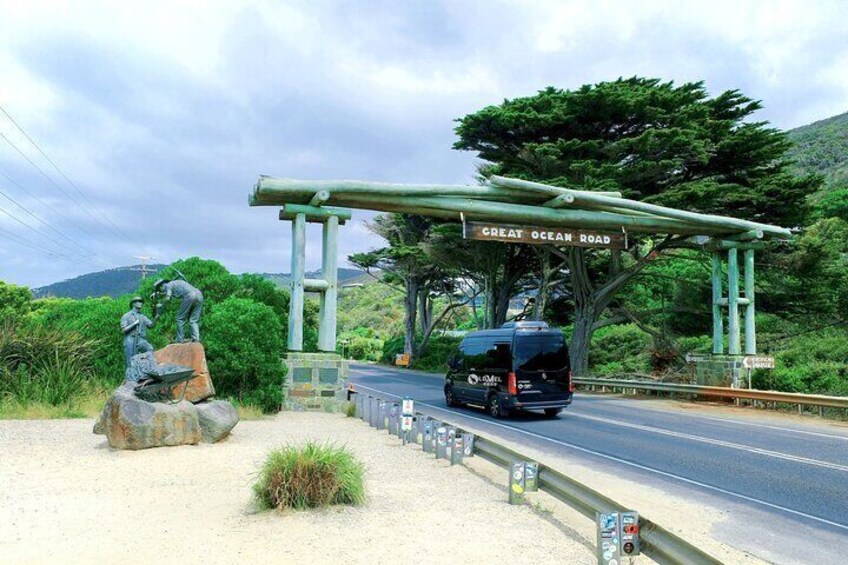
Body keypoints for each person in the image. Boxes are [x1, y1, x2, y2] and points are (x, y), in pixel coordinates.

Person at [153, 278, 204, 342]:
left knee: (179, 318)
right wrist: (159, 294)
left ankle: (179, 340)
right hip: (199, 295)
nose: (161, 291)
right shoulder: (175, 283)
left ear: (161, 286)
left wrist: (161, 304)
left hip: (190, 296)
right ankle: (196, 338)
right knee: (193, 320)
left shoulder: (168, 286)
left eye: (159, 290)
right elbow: (169, 293)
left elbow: (168, 297)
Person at [120, 296, 157, 369]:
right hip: (130, 340)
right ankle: (129, 377)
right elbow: (123, 330)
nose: (141, 303)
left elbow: (151, 325)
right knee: (129, 361)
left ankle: (146, 368)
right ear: (133, 304)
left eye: (141, 302)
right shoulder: (126, 315)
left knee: (149, 348)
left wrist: (156, 317)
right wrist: (134, 324)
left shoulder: (142, 316)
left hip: (141, 340)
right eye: (138, 301)